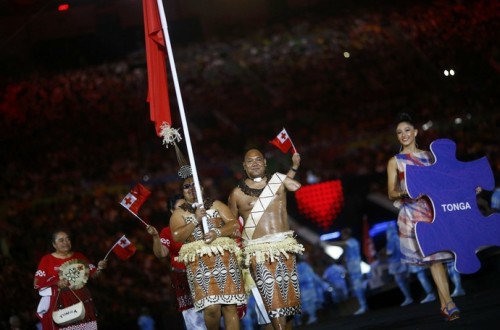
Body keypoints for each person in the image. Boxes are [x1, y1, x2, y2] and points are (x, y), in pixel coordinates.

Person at [387, 112, 460, 321]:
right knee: (433, 258)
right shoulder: (395, 161)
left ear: (416, 132)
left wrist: (467, 189)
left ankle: (446, 304)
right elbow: (391, 192)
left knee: (438, 259)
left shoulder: (429, 156)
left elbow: (442, 183)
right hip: (412, 214)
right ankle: (449, 303)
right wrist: (406, 191)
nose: (403, 135)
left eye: (407, 130)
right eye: (399, 132)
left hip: (432, 211)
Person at [228, 148, 303, 329]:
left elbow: (296, 186)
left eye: (258, 160)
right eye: (250, 161)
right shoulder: (236, 194)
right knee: (274, 304)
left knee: (289, 306)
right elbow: (232, 227)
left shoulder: (278, 181)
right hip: (258, 253)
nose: (255, 163)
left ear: (265, 162)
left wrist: (293, 167)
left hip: (284, 248)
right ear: (244, 166)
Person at [171, 176, 246, 330]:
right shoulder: (179, 213)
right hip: (199, 265)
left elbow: (234, 225)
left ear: (202, 189)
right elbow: (177, 236)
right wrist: (195, 219)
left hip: (225, 260)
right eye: (186, 186)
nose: (191, 188)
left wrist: (217, 232)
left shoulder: (216, 204)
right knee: (211, 308)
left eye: (195, 185)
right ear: (182, 192)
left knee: (229, 306)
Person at [146, 194, 206, 330]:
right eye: (181, 208)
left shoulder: (202, 225)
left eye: (187, 207)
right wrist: (156, 237)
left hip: (204, 273)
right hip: (183, 278)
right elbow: (161, 253)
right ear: (172, 212)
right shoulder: (168, 232)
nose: (186, 210)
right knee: (194, 320)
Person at [34, 229, 107, 329]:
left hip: (82, 300)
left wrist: (100, 268)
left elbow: (94, 274)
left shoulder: (79, 256)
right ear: (54, 245)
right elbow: (37, 282)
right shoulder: (47, 260)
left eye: (67, 239)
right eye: (61, 240)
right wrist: (56, 282)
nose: (66, 242)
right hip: (60, 303)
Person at [328, 228, 368, 315]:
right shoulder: (348, 245)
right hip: (352, 268)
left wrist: (330, 243)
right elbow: (342, 255)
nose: (342, 238)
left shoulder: (352, 241)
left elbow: (342, 244)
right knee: (356, 288)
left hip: (355, 267)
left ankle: (364, 306)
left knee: (358, 287)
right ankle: (363, 305)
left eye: (343, 235)